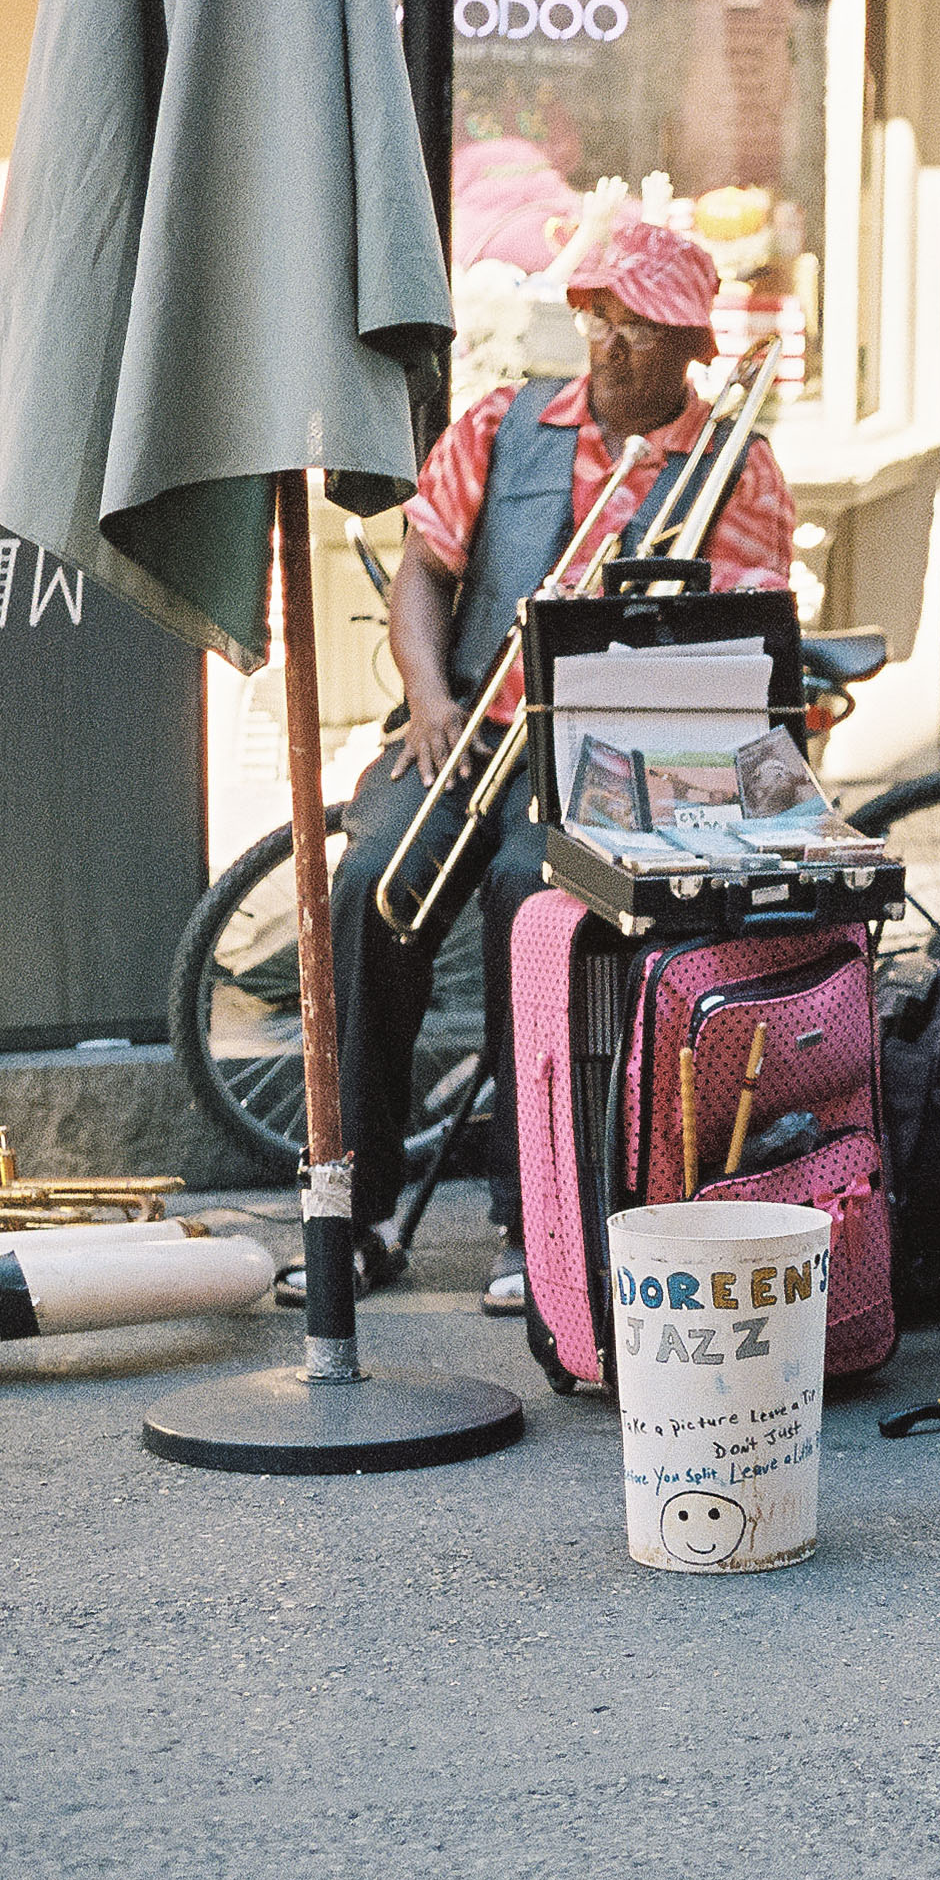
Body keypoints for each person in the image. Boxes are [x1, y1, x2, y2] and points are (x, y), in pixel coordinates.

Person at [292, 220, 797, 1311]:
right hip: (469, 724)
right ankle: (357, 1210)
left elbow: (744, 653)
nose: (610, 342)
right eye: (600, 316)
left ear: (689, 347)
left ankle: (537, 1225)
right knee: (366, 887)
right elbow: (423, 575)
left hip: (613, 764)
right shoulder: (499, 421)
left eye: (640, 326)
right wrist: (428, 697)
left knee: (540, 904)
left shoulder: (734, 467)